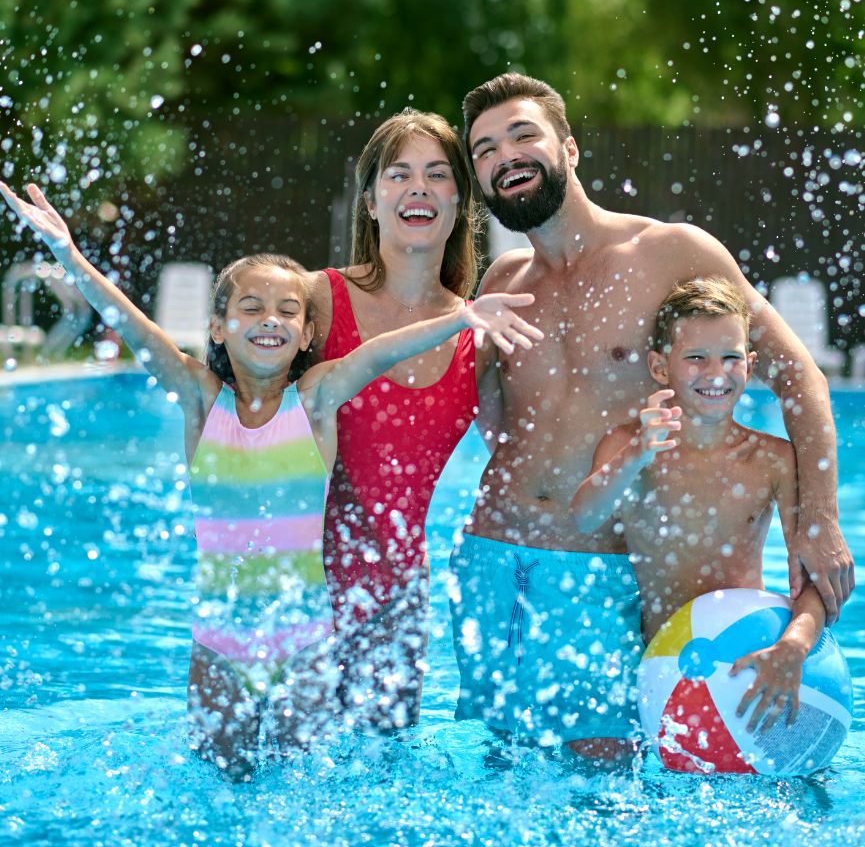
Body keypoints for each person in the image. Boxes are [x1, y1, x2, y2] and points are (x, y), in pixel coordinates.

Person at [0, 180, 541, 778]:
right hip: (217, 646)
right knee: (221, 783)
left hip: (303, 644)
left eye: (288, 311)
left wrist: (461, 318)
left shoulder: (314, 402)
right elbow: (137, 334)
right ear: (218, 327)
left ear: (307, 335)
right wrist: (71, 259)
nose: (270, 321)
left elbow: (381, 353)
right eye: (250, 308)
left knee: (295, 788)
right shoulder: (202, 403)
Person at [449, 73, 853, 762]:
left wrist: (816, 512)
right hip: (489, 557)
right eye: (484, 149)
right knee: (498, 764)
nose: (505, 155)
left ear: (568, 148)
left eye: (523, 135)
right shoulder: (501, 284)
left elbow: (799, 375)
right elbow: (494, 420)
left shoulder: (669, 252)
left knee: (596, 778)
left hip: (591, 565)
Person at [307, 110, 503, 729]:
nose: (418, 188)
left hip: (397, 598)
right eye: (399, 174)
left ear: (458, 204)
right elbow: (235, 407)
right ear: (370, 201)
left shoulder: (482, 334)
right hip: (296, 583)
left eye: (438, 175)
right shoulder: (317, 299)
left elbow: (521, 459)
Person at [570, 278, 825, 731]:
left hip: (746, 658)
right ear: (659, 366)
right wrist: (635, 457)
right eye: (695, 358)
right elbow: (584, 516)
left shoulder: (773, 460)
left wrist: (794, 646)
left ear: (750, 365)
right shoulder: (628, 446)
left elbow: (811, 578)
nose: (715, 373)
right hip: (655, 661)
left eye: (730, 358)